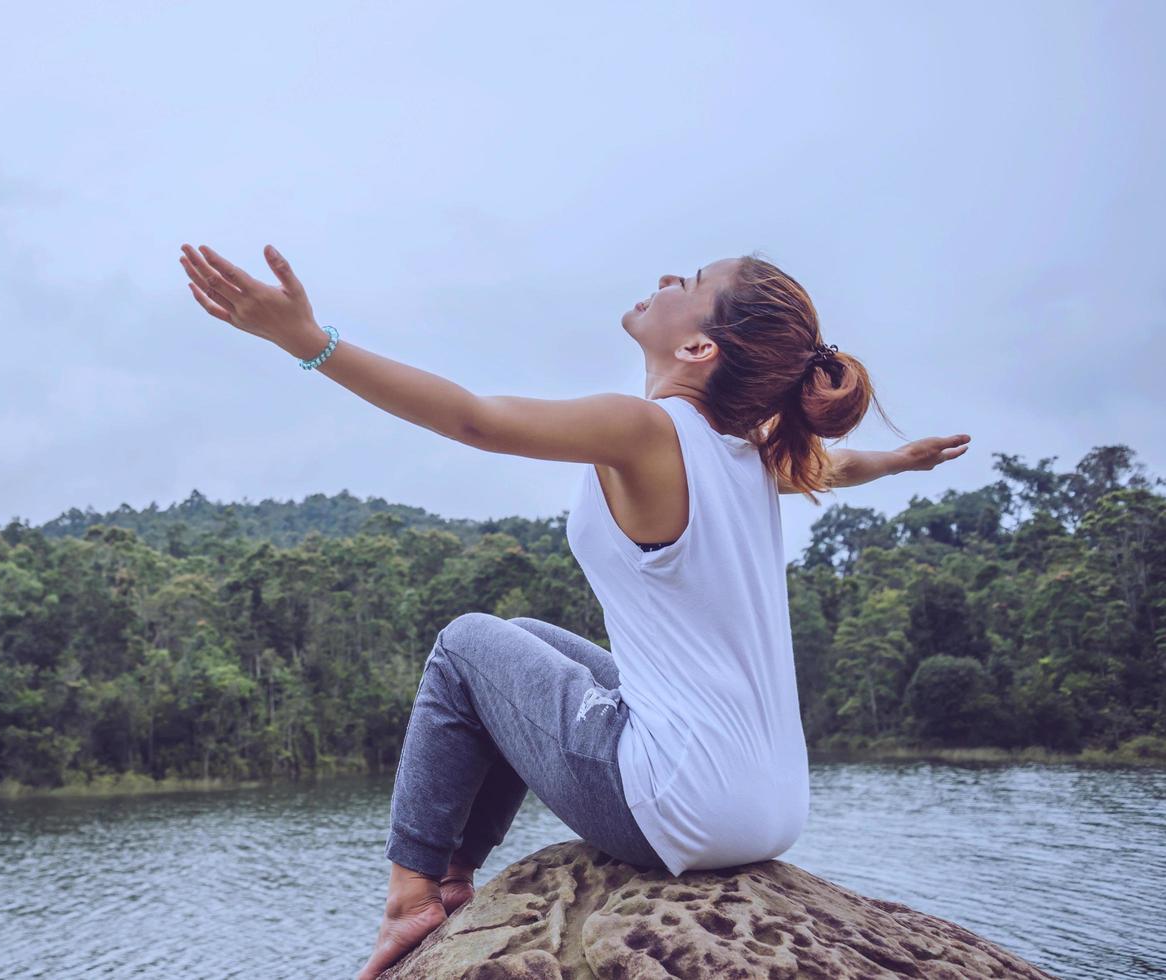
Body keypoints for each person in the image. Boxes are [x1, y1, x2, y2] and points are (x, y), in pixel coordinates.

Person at [177, 243, 972, 980]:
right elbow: (830, 466)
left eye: (689, 284)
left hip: (682, 806)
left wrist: (307, 340)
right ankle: (457, 873)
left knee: (465, 646)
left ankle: (412, 894)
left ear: (700, 350)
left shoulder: (647, 429)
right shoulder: (751, 451)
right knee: (522, 641)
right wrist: (898, 461)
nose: (667, 279)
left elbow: (473, 418)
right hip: (768, 808)